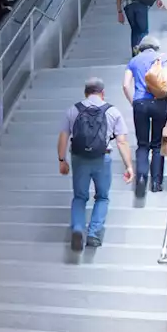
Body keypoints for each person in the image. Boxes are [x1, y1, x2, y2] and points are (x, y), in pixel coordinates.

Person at [57, 78, 133, 251]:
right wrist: (129, 166)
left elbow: (63, 137)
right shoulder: (112, 111)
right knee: (102, 197)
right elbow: (122, 142)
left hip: (79, 158)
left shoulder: (73, 110)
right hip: (102, 158)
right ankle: (93, 233)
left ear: (85, 92)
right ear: (102, 93)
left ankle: (77, 228)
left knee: (79, 197)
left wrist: (62, 160)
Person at [124, 36, 167, 196]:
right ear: (155, 47)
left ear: (141, 47)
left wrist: (134, 102)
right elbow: (166, 84)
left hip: (140, 103)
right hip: (159, 102)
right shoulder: (162, 59)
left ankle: (141, 179)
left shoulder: (134, 61)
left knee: (142, 144)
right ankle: (156, 183)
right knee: (158, 145)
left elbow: (125, 85)